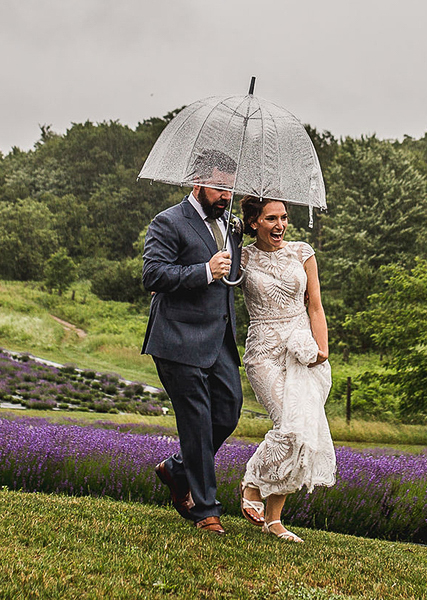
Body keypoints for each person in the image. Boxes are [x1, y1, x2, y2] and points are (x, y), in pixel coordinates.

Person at [142, 149, 243, 535]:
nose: (225, 195)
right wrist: (203, 271)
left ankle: (177, 469)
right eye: (219, 187)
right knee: (197, 421)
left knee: (228, 411)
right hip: (177, 338)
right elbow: (153, 275)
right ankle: (206, 510)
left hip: (219, 338)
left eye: (230, 189)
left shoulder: (230, 226)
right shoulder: (168, 222)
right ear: (197, 182)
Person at [236, 196, 336, 542]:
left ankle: (274, 519)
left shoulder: (302, 252)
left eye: (284, 218)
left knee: (303, 429)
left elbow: (316, 306)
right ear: (253, 223)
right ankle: (252, 484)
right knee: (288, 425)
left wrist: (322, 349)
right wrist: (231, 239)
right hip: (263, 349)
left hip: (300, 348)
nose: (279, 226)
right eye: (270, 219)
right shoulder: (242, 257)